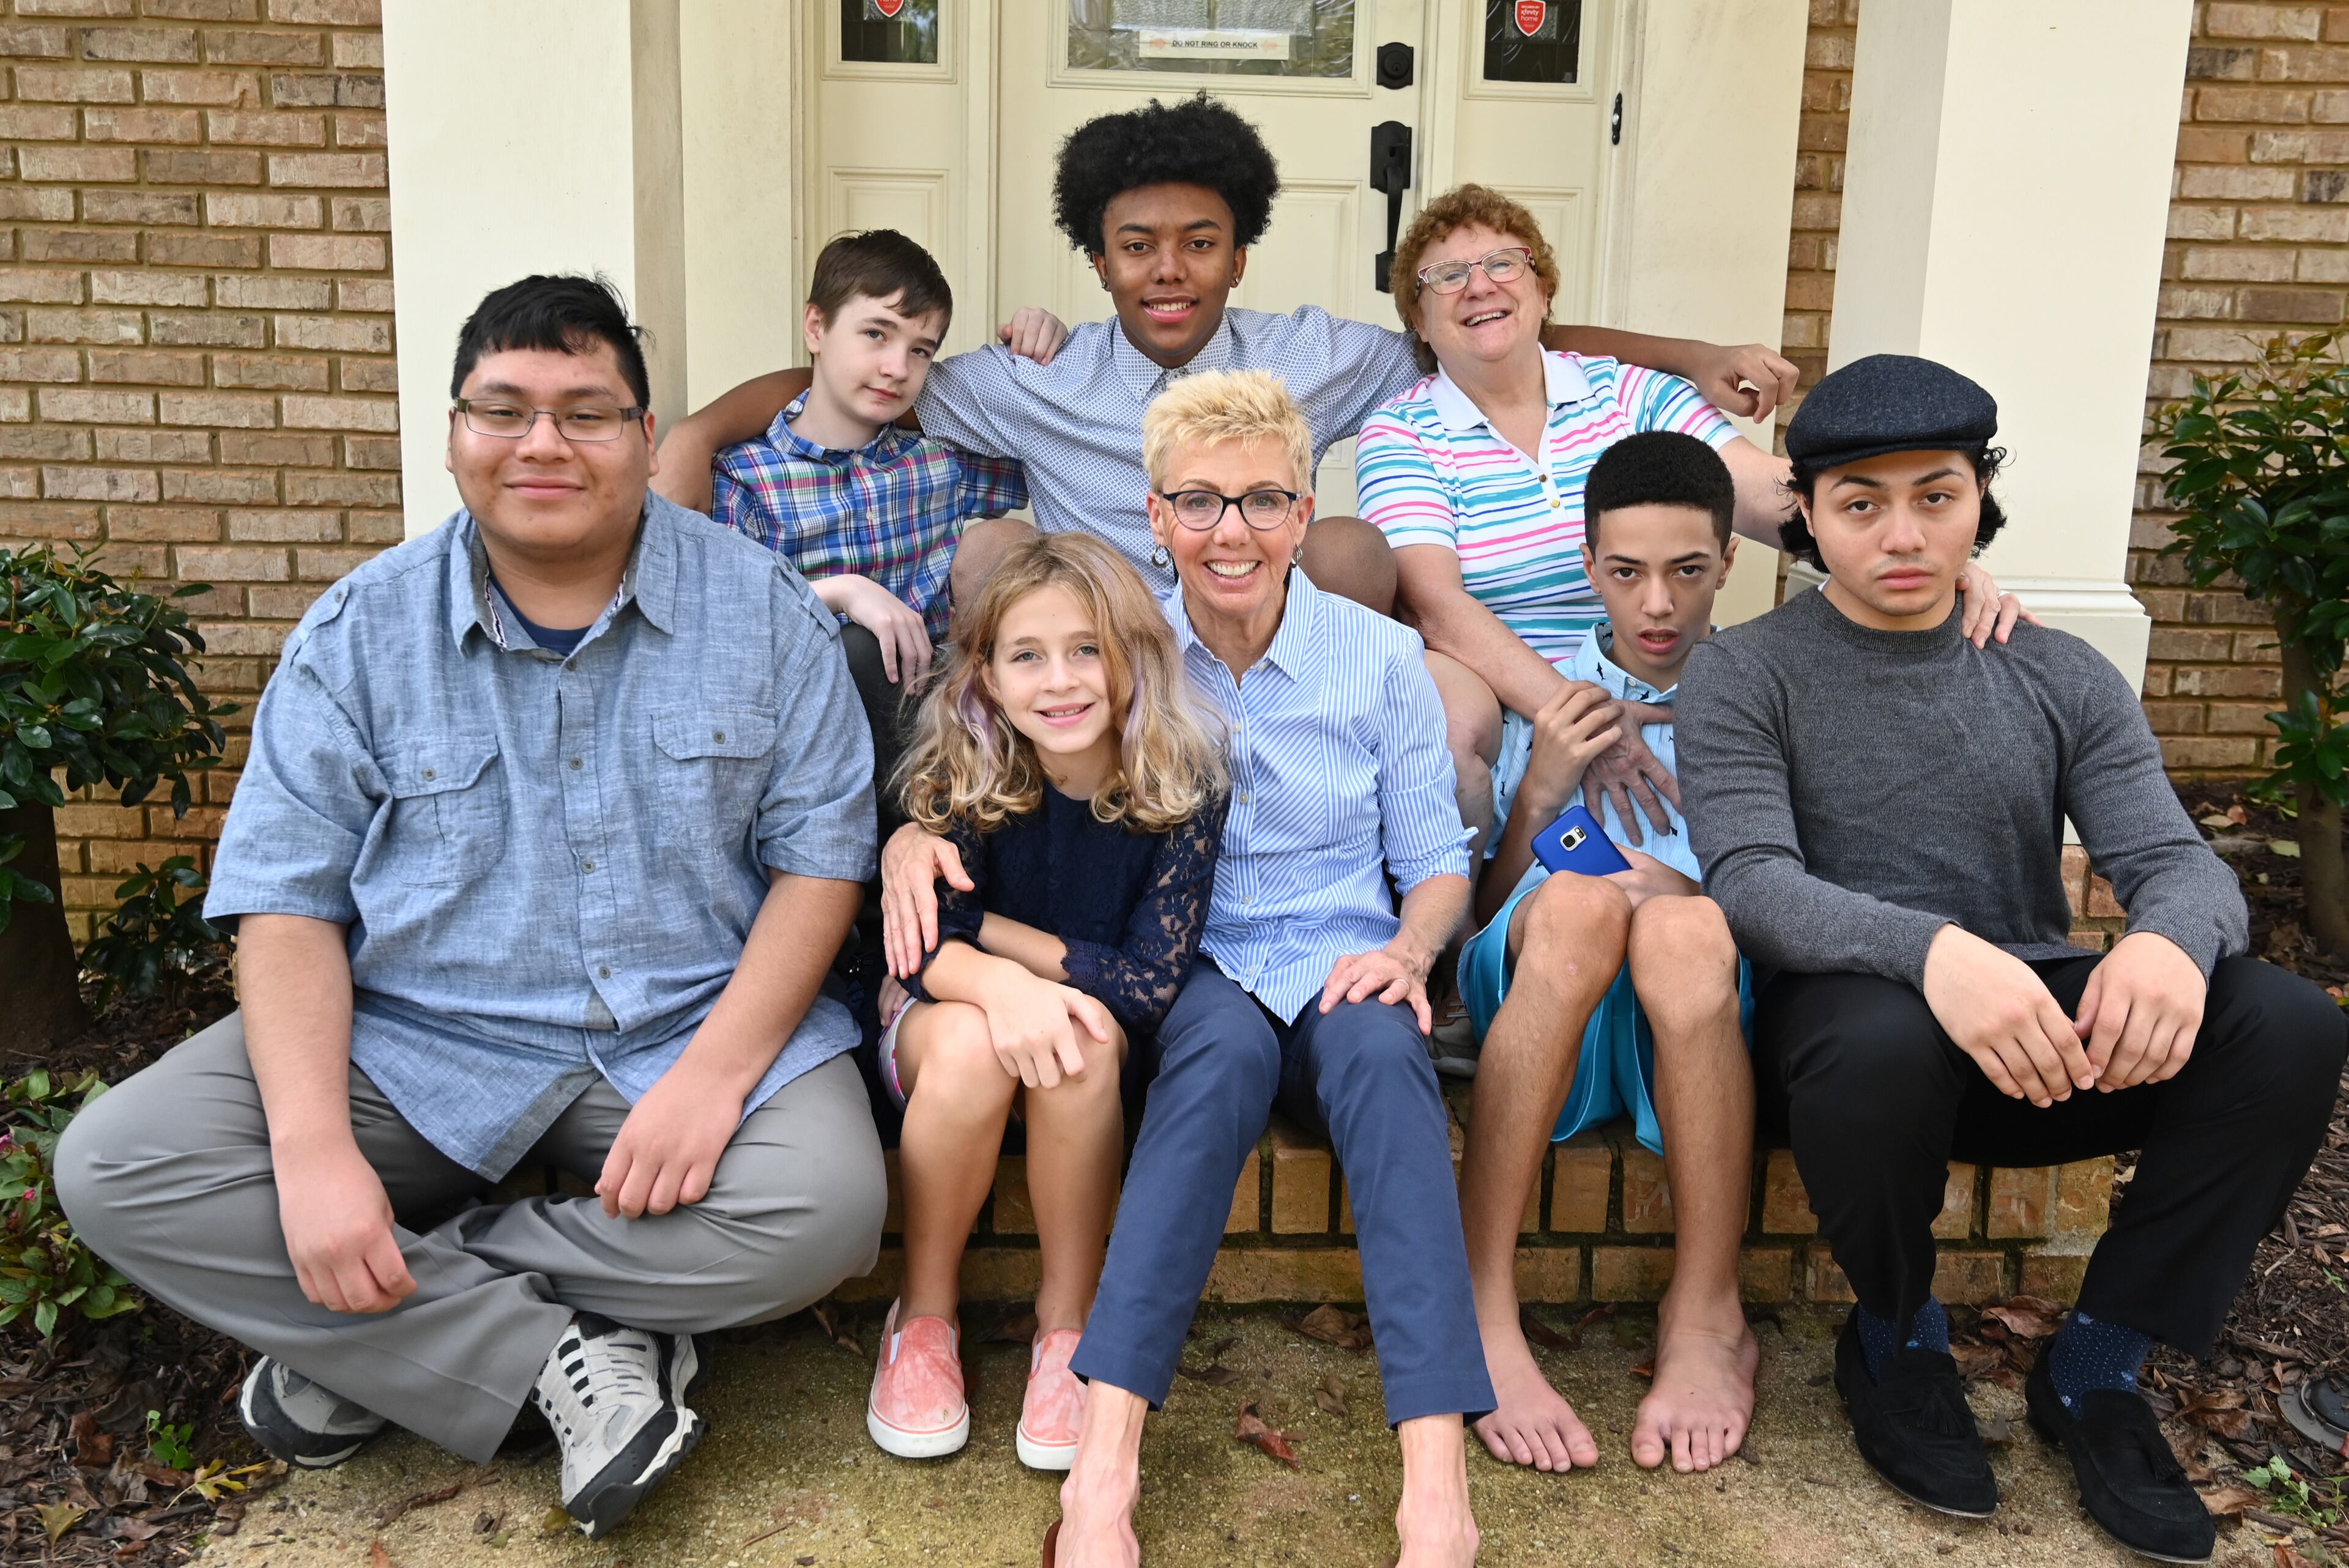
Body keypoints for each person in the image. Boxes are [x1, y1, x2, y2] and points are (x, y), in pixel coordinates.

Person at [53, 275, 888, 1540]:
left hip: (680, 1023)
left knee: (825, 1212)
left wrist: (721, 1072)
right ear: (453, 433)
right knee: (120, 1165)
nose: (543, 444)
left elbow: (820, 865)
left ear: (644, 436)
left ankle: (375, 1328)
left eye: (586, 413)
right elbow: (286, 903)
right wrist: (317, 1153)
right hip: (418, 1042)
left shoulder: (763, 613)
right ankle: (577, 1350)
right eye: (503, 409)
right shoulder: (358, 633)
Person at [1674, 353, 2349, 1561]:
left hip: (2038, 1042)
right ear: (1810, 513)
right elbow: (1755, 888)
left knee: (2290, 1023)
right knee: (1872, 1035)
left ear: (1979, 503)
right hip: (1846, 1057)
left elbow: (2179, 861)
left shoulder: (2051, 668)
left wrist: (2165, 944)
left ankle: (2100, 1365)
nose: (1901, 533)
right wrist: (1933, 953)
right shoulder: (1748, 670)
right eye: (1861, 502)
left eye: (1936, 496)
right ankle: (1894, 1335)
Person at [885, 371, 1488, 1567]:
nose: (1233, 531)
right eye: (1199, 502)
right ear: (1155, 517)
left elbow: (1432, 862)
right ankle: (1104, 1469)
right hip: (1188, 969)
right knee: (1209, 1068)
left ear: (1306, 512)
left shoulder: (1377, 660)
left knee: (1385, 1054)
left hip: (1339, 952)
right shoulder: (1126, 648)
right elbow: (994, 731)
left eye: (1264, 500)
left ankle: (1437, 1483)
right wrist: (913, 833)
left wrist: (1411, 951)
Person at [655, 93, 1802, 617]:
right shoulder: (1039, 376)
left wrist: (1686, 354)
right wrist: (703, 431)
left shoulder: (1313, 352)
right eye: (1137, 247)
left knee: (1356, 544)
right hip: (1107, 635)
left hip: (1262, 621)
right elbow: (872, 381)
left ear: (1237, 258)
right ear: (1097, 264)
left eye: (1199, 244)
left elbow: (1473, 327)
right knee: (999, 550)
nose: (1168, 270)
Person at [1352, 183, 2025, 861]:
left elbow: (1775, 498)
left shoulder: (1631, 392)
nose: (1479, 286)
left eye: (1503, 262)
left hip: (1665, 673)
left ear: (1543, 289)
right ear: (1419, 317)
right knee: (1455, 733)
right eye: (1447, 275)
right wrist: (1589, 721)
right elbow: (1436, 606)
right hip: (1514, 703)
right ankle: (1457, 937)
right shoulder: (1402, 430)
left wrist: (1921, 557)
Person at [863, 533, 1225, 1473]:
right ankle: (926, 1316)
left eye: (1086, 650)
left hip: (1079, 1050)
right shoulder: (962, 770)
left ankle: (1067, 1330)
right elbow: (914, 944)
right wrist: (992, 983)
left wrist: (999, 943)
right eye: (1027, 655)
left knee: (1090, 1032)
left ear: (1132, 657)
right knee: (981, 1043)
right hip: (945, 1029)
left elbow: (1149, 982)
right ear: (984, 673)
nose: (1059, 681)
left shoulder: (1180, 785)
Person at [1451, 431, 1759, 1478]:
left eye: (1686, 571)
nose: (1658, 605)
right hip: (1548, 988)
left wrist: (1676, 886)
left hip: (1692, 1006)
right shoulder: (1548, 691)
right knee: (1582, 908)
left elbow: (1788, 888)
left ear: (1728, 564)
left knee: (1678, 923)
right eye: (1627, 573)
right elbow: (1482, 911)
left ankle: (1706, 1309)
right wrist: (1541, 790)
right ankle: (1483, 1302)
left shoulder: (1765, 694)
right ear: (1590, 567)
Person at [709, 229, 1042, 808]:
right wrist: (839, 593)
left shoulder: (939, 461)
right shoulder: (746, 477)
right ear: (816, 328)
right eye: (876, 334)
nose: (897, 367)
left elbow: (1060, 464)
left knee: (1014, 543)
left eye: (921, 350)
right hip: (815, 740)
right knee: (859, 646)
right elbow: (727, 623)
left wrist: (1044, 356)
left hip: (945, 721)